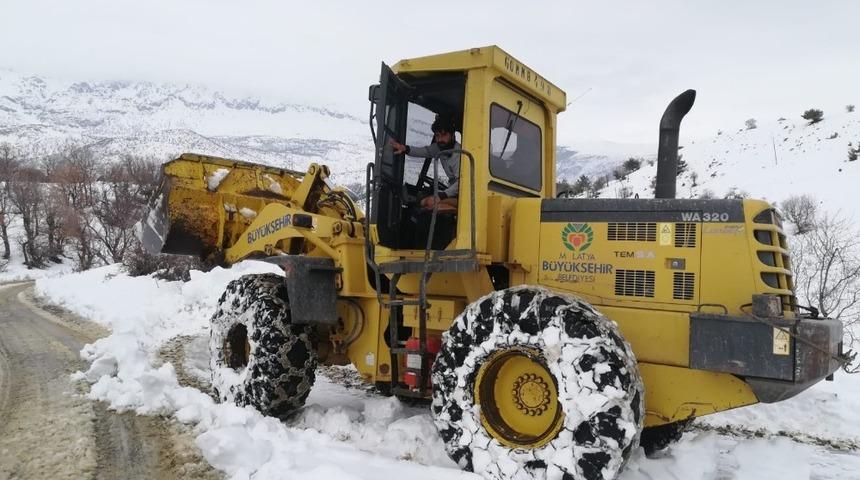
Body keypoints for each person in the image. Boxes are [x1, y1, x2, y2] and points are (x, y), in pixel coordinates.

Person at [389, 115, 461, 211]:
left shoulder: (458, 154)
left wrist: (442, 195)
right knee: (422, 200)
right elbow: (425, 151)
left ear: (452, 135)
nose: (439, 140)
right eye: (437, 135)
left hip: (462, 196)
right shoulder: (441, 148)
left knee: (427, 203)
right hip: (453, 192)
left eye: (443, 135)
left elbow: (462, 183)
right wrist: (405, 148)